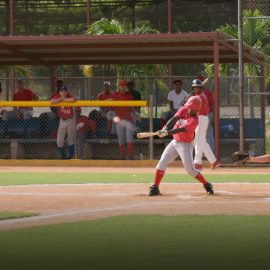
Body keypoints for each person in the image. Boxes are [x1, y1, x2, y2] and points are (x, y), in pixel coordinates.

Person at [148, 96, 214, 196]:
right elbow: (174, 118)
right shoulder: (184, 109)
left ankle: (206, 184)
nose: (187, 108)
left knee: (190, 170)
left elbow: (181, 129)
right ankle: (155, 187)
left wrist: (167, 133)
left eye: (190, 107)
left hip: (185, 145)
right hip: (175, 142)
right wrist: (165, 128)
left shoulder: (194, 120)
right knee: (162, 162)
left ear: (195, 109)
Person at [191, 79, 220, 171]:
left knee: (199, 141)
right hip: (200, 119)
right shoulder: (197, 95)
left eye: (197, 87)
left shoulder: (201, 96)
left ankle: (197, 163)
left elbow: (193, 106)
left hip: (201, 118)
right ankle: (214, 161)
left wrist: (186, 102)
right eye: (194, 87)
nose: (196, 89)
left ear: (200, 88)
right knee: (201, 141)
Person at [51, 85, 76, 159]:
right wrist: (61, 98)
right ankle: (63, 157)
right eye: (62, 91)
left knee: (70, 140)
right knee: (59, 141)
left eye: (65, 91)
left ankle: (70, 156)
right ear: (59, 92)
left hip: (70, 120)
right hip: (62, 121)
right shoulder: (58, 96)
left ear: (67, 91)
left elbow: (74, 99)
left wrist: (63, 99)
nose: (63, 92)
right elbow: (52, 101)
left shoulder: (69, 95)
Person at [114, 79, 136, 160]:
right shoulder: (115, 95)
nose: (123, 87)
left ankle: (130, 156)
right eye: (121, 86)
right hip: (119, 120)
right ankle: (122, 156)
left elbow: (132, 108)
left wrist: (136, 114)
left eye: (124, 86)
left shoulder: (129, 95)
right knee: (121, 138)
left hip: (128, 120)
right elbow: (108, 102)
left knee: (129, 138)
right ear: (119, 87)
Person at [197, 76, 215, 152]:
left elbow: (212, 105)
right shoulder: (199, 93)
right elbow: (212, 105)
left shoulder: (204, 92)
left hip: (204, 114)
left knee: (202, 133)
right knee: (207, 133)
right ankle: (209, 152)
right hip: (206, 114)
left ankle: (203, 152)